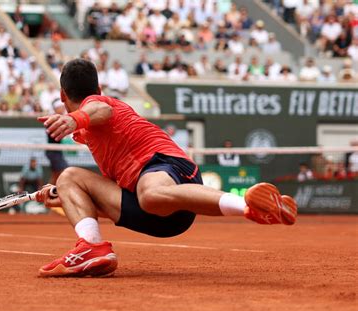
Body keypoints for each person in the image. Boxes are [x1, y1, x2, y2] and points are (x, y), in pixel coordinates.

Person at [34, 59, 297, 278]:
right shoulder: (88, 133)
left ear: (62, 96)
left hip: (169, 169)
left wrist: (74, 117)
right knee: (68, 179)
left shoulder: (100, 105)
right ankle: (91, 247)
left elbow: (99, 108)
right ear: (99, 85)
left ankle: (250, 206)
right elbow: (110, 201)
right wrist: (64, 199)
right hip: (160, 216)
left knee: (150, 194)